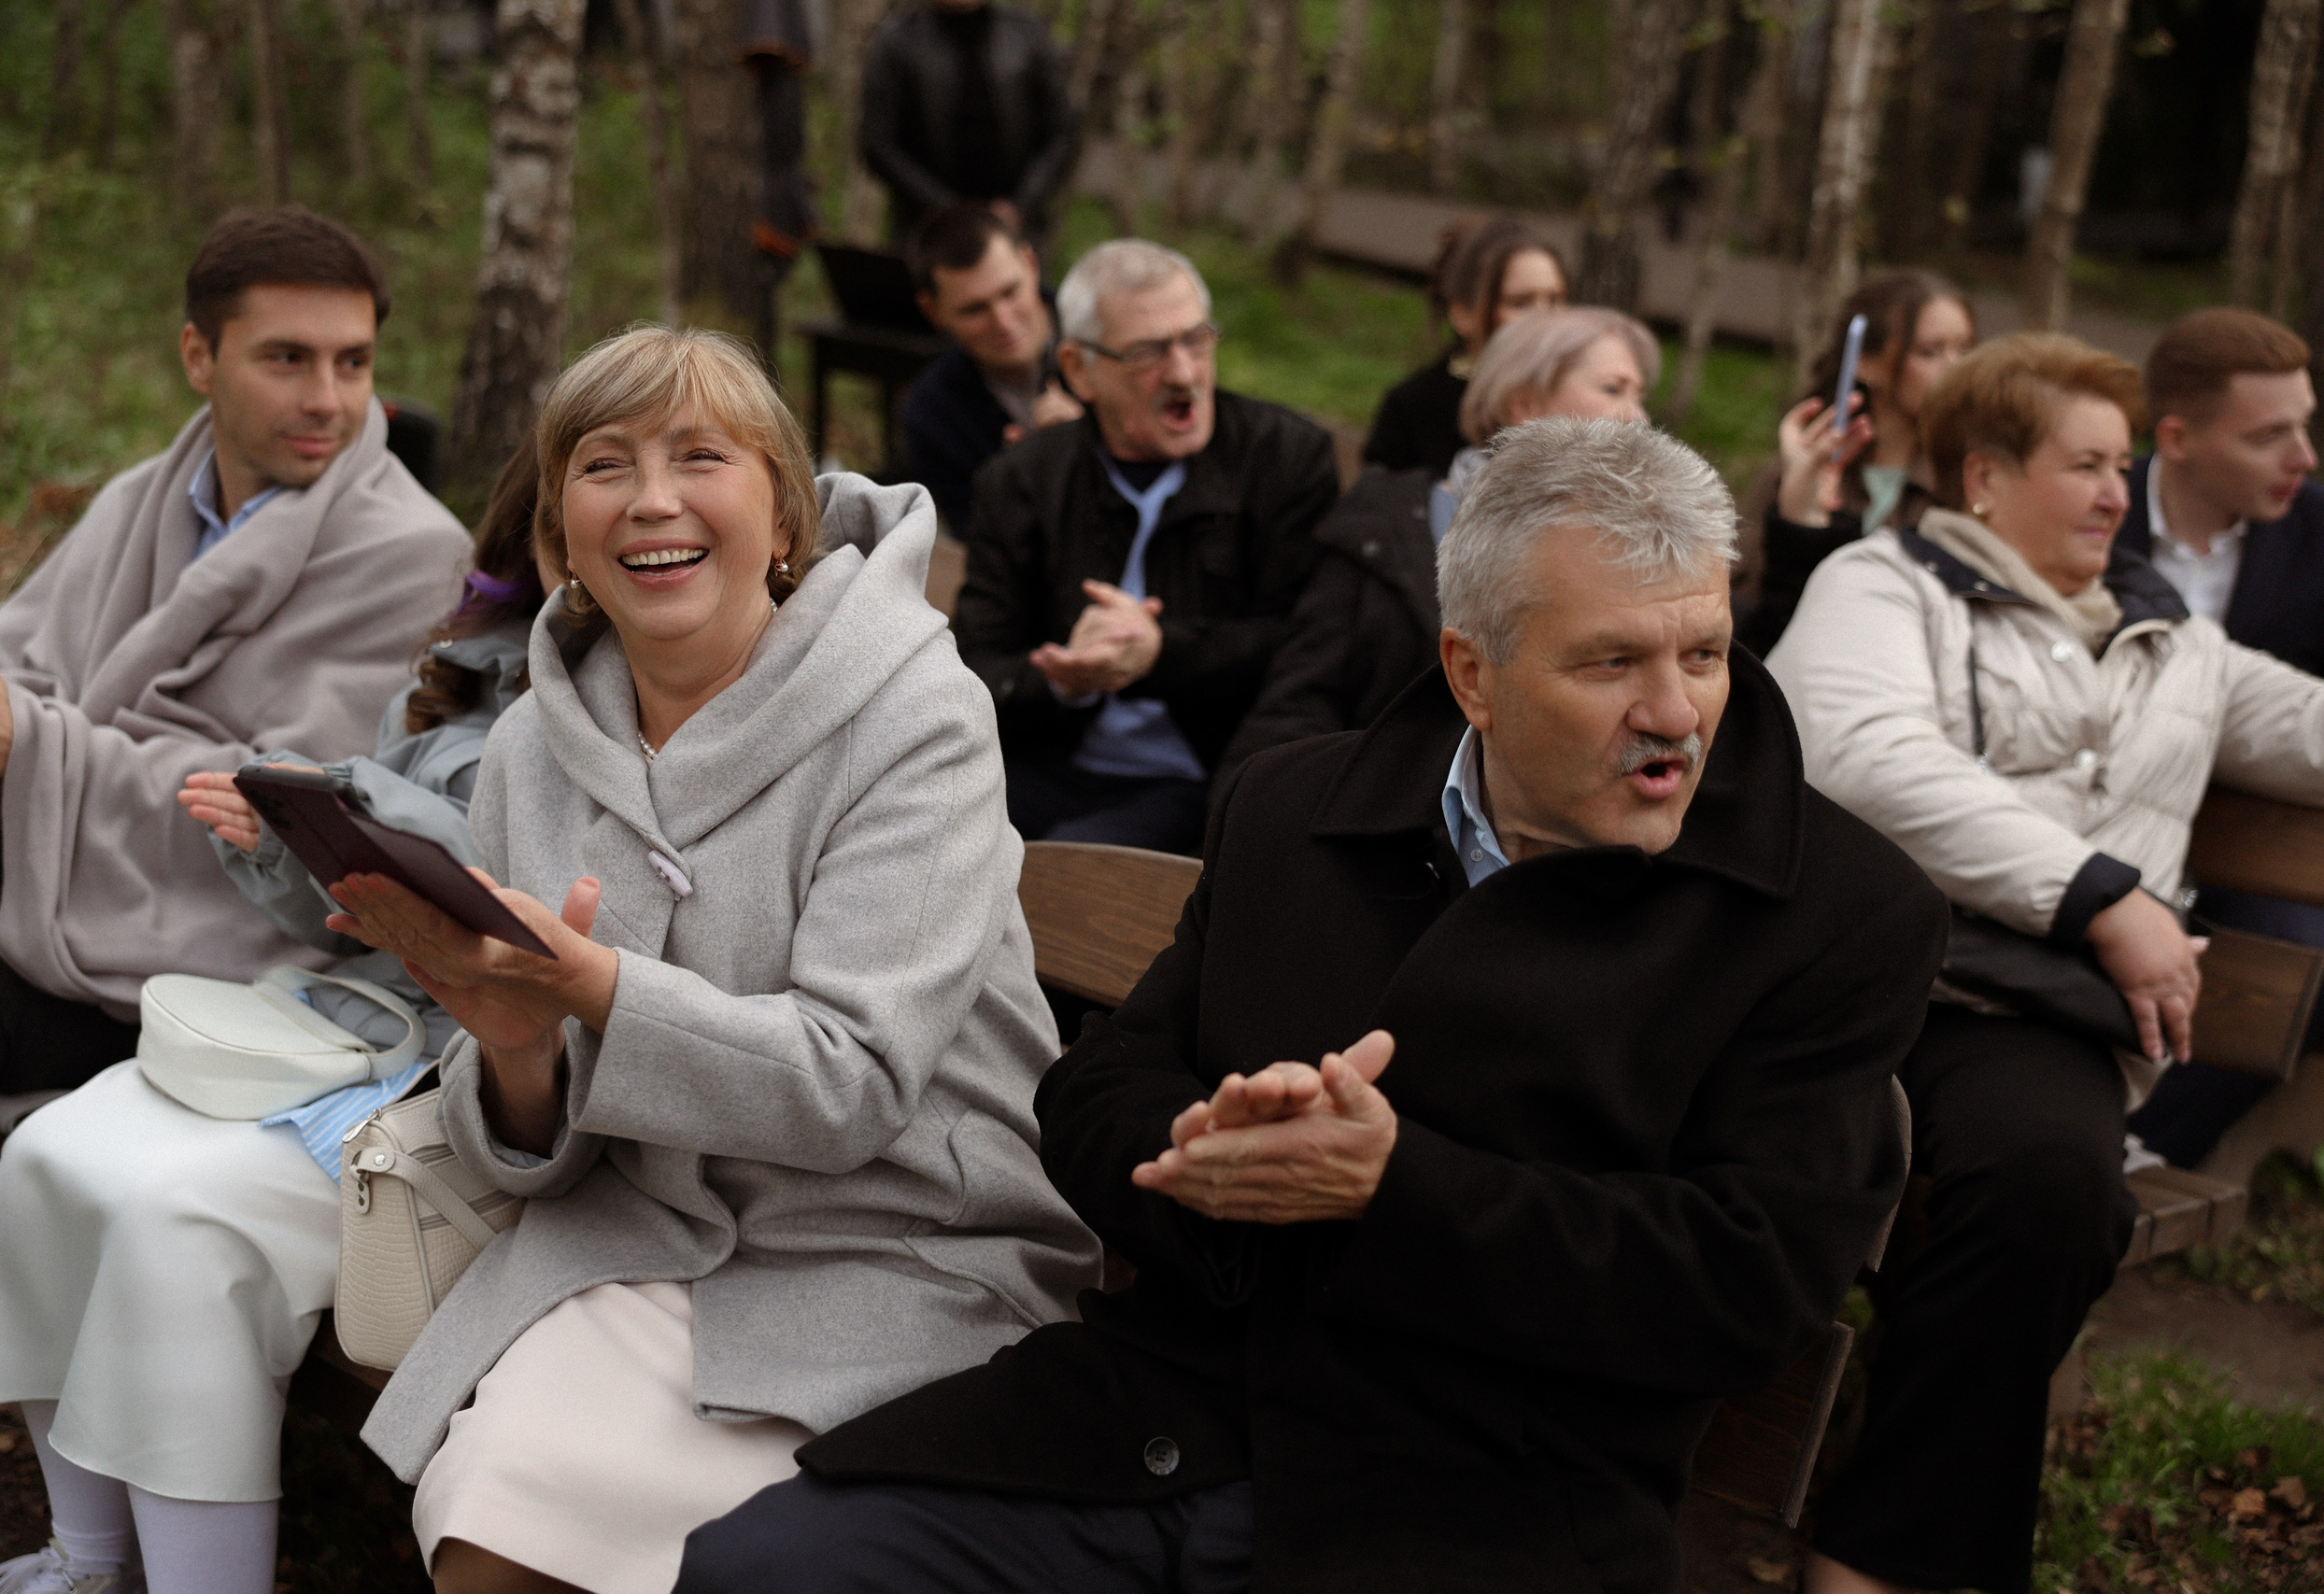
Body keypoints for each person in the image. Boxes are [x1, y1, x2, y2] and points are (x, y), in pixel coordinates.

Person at [675, 417, 1948, 1594]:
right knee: (762, 1571)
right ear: (1474, 672)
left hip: (1484, 1508)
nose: (1675, 712)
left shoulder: (1837, 911)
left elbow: (1746, 1285)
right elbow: (1097, 1088)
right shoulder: (1297, 805)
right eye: (1613, 660)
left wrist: (1393, 1186)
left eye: (1706, 651)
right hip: (1154, 1427)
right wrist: (1214, 1151)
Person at [322, 325, 1099, 1594]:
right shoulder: (530, 746)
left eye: (701, 456)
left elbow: (850, 1082)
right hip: (646, 1239)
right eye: (606, 464)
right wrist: (517, 1052)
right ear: (559, 528)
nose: (654, 499)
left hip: (906, 1248)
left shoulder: (917, 715)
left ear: (783, 516)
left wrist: (592, 990)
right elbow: (533, 1143)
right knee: (491, 1531)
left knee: (709, 1554)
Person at [0, 445, 550, 1594]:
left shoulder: (627, 699)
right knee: (52, 1154)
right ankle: (90, 1555)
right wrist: (284, 846)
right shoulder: (474, 668)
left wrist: (370, 810)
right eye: (579, 497)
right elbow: (340, 920)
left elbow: (523, 901)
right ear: (538, 535)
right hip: (337, 1019)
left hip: (459, 1073)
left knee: (178, 1224)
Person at [1765, 333, 2324, 1594]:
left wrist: (2092, 916)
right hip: (1858, 977)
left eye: (2121, 465)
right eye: (2083, 464)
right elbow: (1853, 749)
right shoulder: (1881, 582)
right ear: (1982, 477)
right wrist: (2099, 895)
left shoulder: (2176, 641)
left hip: (2028, 1017)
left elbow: (2311, 728)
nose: (2117, 494)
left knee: (2053, 1190)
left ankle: (1867, 1559)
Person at [0, 205, 470, 1103]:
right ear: (198, 357)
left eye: (354, 362)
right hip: (24, 842)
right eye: (286, 358)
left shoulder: (415, 557)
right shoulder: (142, 498)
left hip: (192, 951)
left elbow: (301, 809)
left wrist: (32, 747)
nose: (328, 400)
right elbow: (14, 669)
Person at [955, 239, 1339, 855]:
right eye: (1149, 353)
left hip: (1199, 778)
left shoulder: (1284, 461)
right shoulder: (1025, 478)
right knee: (935, 837)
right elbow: (975, 662)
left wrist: (1161, 653)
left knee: (1069, 869)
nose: (1184, 373)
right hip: (1039, 760)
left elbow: (1306, 648)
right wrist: (1060, 679)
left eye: (1195, 340)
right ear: (1080, 370)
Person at [1223, 305, 1657, 775]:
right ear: (1525, 403)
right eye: (1613, 390)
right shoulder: (1388, 530)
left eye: (1640, 396)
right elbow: (1298, 707)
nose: (1638, 420)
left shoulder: (1657, 558)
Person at [2112, 308, 2324, 1166]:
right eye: (2271, 435)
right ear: (2179, 436)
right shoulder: (2095, 508)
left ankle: (2144, 1148)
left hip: (2255, 832)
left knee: (2303, 964)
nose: (2303, 456)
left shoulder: (2319, 534)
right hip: (2099, 816)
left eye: (2305, 425)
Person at [1735, 270, 1977, 656]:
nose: (1957, 368)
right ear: (1865, 364)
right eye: (1930, 351)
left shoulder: (1970, 481)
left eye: (1964, 349)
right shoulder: (1800, 472)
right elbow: (1742, 607)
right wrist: (1801, 520)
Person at [899, 201, 1082, 537]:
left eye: (1010, 292)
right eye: (974, 310)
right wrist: (1016, 482)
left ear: (1030, 263)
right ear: (933, 312)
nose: (1003, 321)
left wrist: (1096, 448)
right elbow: (980, 551)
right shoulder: (932, 414)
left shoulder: (1112, 343)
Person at [860, 0, 1078, 247]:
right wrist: (947, 211)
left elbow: (1062, 131)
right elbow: (878, 143)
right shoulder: (897, 41)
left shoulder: (1026, 33)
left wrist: (1021, 204)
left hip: (1017, 228)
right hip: (927, 233)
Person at [1360, 216, 1568, 475]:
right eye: (1520, 303)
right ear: (1463, 315)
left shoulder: (1580, 396)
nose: (1546, 317)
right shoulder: (1413, 408)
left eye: (1555, 299)